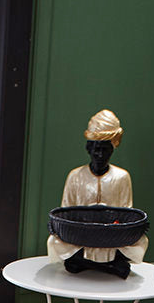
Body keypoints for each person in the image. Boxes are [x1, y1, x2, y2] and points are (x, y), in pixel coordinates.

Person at [47, 109, 148, 278]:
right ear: (89, 149)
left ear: (112, 150)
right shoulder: (75, 176)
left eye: (105, 150)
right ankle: (106, 266)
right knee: (54, 241)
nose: (100, 155)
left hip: (111, 236)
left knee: (141, 242)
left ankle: (87, 262)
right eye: (96, 150)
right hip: (80, 235)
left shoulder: (122, 177)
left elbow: (126, 213)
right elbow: (66, 210)